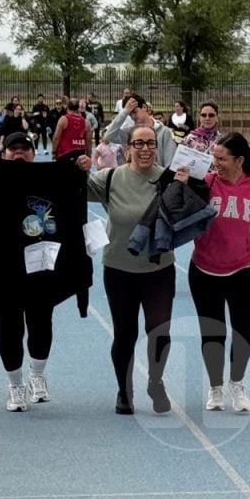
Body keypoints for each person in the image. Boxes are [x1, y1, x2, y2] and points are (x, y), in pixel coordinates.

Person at [0, 132, 93, 412]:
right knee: (9, 329)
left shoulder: (48, 176)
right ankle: (15, 386)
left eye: (25, 149)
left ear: (34, 154)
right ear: (3, 153)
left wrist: (80, 166)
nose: (19, 154)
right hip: (3, 269)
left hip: (40, 267)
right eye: (13, 150)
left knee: (41, 323)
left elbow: (74, 187)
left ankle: (37, 376)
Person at [182, 131, 250, 413]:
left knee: (243, 332)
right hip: (204, 270)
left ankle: (236, 383)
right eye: (214, 158)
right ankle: (215, 388)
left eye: (222, 159)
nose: (216, 164)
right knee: (212, 333)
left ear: (239, 160)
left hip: (243, 271)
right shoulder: (206, 183)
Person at [87, 123, 176, 415]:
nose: (145, 149)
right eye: (138, 143)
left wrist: (188, 186)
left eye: (150, 143)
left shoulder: (170, 179)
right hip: (119, 269)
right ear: (127, 149)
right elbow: (72, 189)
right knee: (125, 333)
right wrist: (78, 167)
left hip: (158, 269)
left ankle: (156, 381)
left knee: (159, 331)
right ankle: (124, 391)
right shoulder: (111, 178)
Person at [104, 95, 177, 166]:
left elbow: (170, 162)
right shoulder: (130, 132)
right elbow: (109, 136)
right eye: (130, 115)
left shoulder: (164, 132)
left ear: (144, 107)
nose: (133, 116)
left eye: (135, 112)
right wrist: (124, 112)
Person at [51, 98, 92, 162]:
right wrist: (89, 153)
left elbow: (56, 137)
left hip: (64, 153)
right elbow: (88, 140)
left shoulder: (63, 119)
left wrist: (54, 152)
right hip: (79, 154)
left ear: (67, 108)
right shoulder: (86, 122)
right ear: (78, 108)